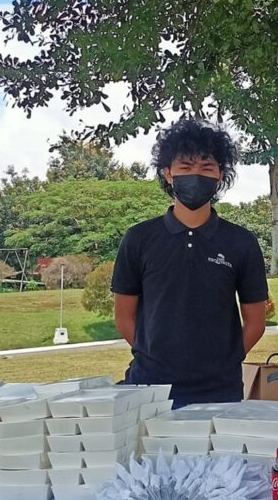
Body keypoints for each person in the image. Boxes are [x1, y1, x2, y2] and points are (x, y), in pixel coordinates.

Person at [111, 118, 268, 407]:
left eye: (207, 167)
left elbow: (256, 322)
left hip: (220, 393)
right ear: (168, 174)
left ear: (221, 175)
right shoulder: (138, 239)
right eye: (185, 167)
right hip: (150, 390)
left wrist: (224, 361)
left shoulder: (241, 242)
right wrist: (154, 358)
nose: (196, 175)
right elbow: (123, 317)